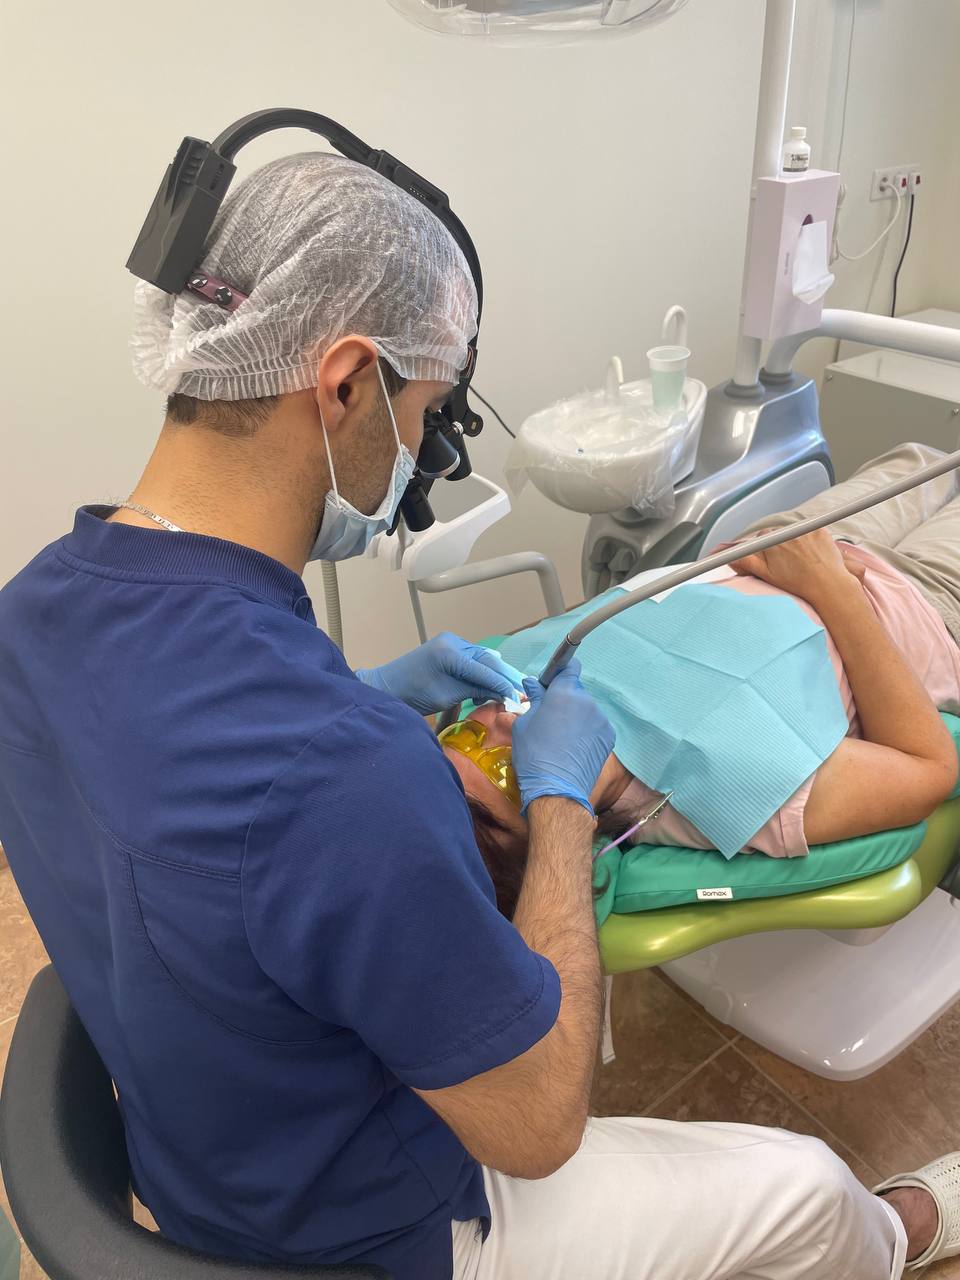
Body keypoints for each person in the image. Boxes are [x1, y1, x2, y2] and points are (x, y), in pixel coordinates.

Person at [0, 149, 955, 1279]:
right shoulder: (345, 780)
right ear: (345, 382)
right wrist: (559, 801)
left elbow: (181, 792)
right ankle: (898, 1233)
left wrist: (360, 696)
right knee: (805, 1190)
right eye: (426, 410)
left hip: (214, 1149)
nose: (425, 452)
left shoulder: (32, 611)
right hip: (377, 1235)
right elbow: (540, 1123)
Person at [447, 452, 960, 911]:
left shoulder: (516, 672)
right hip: (918, 599)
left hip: (773, 545)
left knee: (921, 458)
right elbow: (928, 769)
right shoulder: (723, 795)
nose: (498, 726)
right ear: (565, 837)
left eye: (462, 736)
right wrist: (831, 586)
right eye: (505, 772)